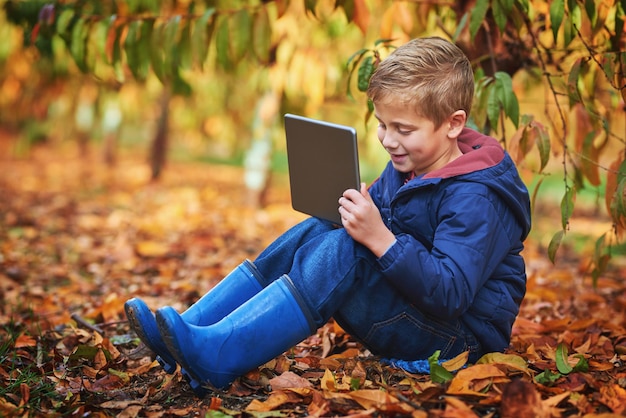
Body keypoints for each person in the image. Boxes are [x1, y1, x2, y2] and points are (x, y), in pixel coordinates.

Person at [124, 36, 531, 395]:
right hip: (415, 312)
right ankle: (194, 327)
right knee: (325, 225)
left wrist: (381, 240)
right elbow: (387, 219)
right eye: (382, 125)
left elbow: (451, 293)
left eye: (403, 129)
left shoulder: (477, 196)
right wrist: (361, 214)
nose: (389, 140)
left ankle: (218, 355)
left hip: (458, 342)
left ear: (453, 124)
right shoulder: (412, 164)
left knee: (348, 249)